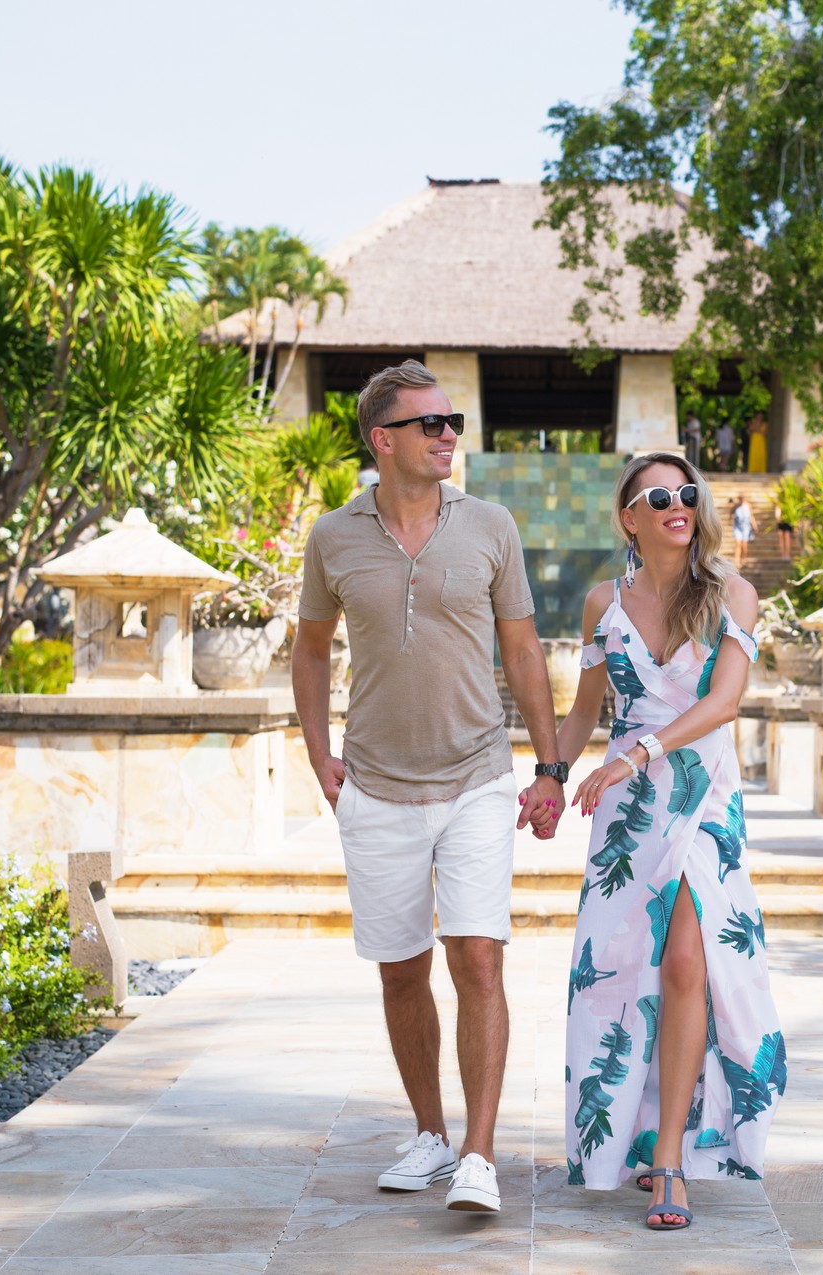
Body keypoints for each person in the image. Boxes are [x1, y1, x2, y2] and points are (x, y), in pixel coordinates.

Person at [290, 359, 567, 1217]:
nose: (450, 435)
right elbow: (309, 646)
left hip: (478, 775)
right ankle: (430, 1134)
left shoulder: (489, 524)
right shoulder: (334, 537)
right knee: (402, 970)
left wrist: (550, 766)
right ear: (384, 440)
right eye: (432, 423)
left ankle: (479, 1153)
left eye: (453, 422)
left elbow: (522, 652)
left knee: (477, 955)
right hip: (372, 785)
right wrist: (316, 750)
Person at [550, 452, 784, 1231]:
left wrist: (639, 753)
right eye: (660, 496)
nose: (678, 504)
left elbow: (723, 704)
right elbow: (585, 706)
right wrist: (550, 772)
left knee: (687, 960)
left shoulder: (731, 595)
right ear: (630, 517)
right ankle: (631, 1138)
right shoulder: (601, 605)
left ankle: (672, 1160)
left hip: (701, 795)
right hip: (627, 809)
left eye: (688, 492)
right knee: (624, 975)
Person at [729, 495, 756, 569]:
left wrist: (754, 525)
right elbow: (730, 513)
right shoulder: (736, 506)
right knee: (737, 543)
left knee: (744, 544)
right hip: (737, 527)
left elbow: (751, 516)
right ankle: (737, 560)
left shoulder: (748, 506)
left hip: (746, 527)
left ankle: (743, 559)